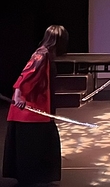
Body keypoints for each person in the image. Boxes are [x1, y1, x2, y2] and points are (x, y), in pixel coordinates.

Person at [3, 25, 70, 186]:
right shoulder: (41, 55)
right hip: (30, 111)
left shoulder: (46, 55)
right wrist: (19, 96)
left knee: (46, 141)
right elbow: (25, 76)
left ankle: (37, 177)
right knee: (35, 144)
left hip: (39, 110)